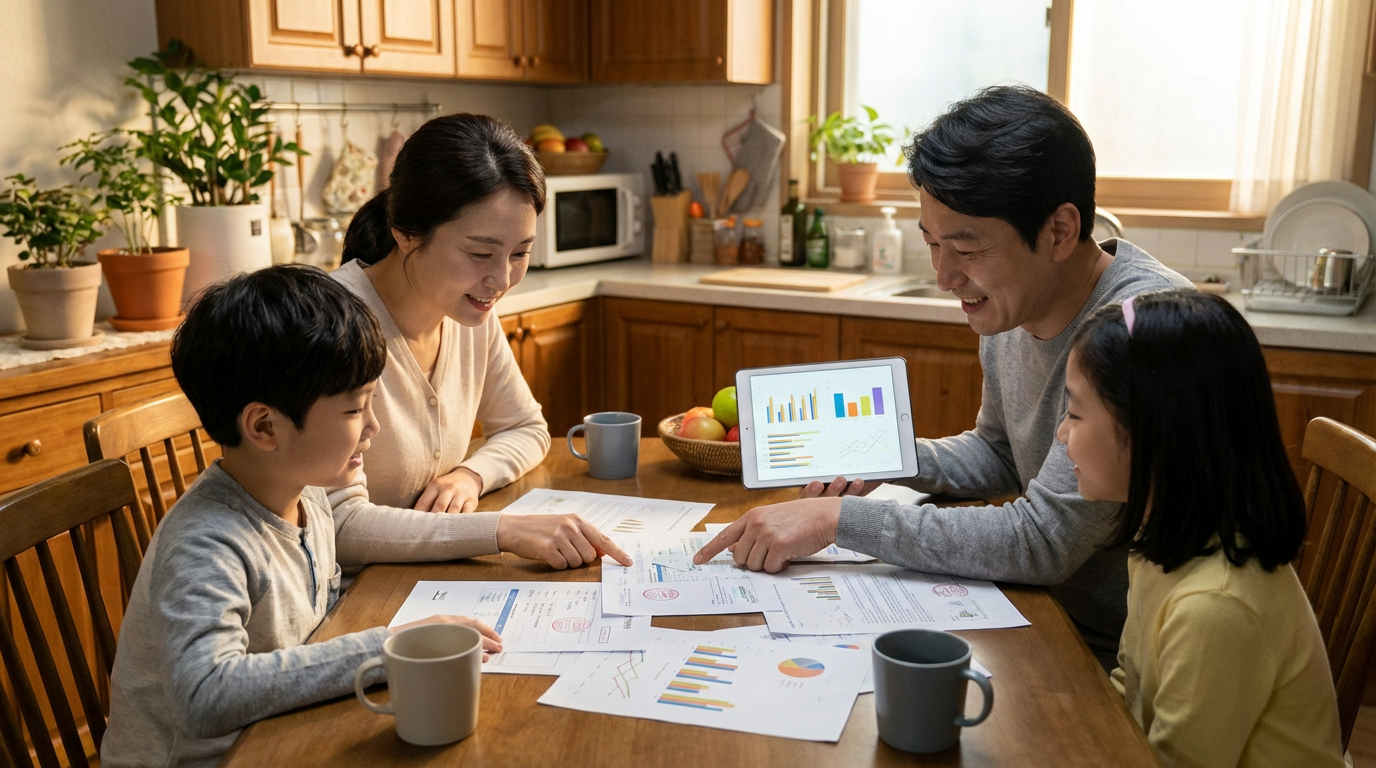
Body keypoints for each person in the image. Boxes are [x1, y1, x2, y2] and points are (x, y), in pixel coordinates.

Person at [695, 85, 1193, 667]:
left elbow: (1043, 540)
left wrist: (837, 518)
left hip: (1122, 655)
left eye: (967, 249)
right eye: (932, 243)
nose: (944, 276)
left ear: (1059, 231)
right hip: (1042, 611)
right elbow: (1002, 452)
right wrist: (884, 455)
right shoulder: (1015, 303)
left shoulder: (1136, 327)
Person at [101, 267, 628, 768]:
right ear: (264, 427)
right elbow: (205, 696)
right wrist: (384, 647)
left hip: (283, 732)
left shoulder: (307, 495)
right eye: (355, 410)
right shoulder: (207, 542)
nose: (373, 427)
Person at [1057, 289, 1343, 767]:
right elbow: (1131, 684)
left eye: (1075, 412)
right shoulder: (1163, 537)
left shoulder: (1215, 606)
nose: (1062, 432)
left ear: (1155, 430)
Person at [332, 113, 546, 522]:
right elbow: (336, 521)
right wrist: (498, 530)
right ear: (406, 233)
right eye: (480, 254)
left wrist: (471, 476)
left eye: (520, 253)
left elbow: (525, 427)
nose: (502, 280)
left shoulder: (469, 309)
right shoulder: (330, 324)